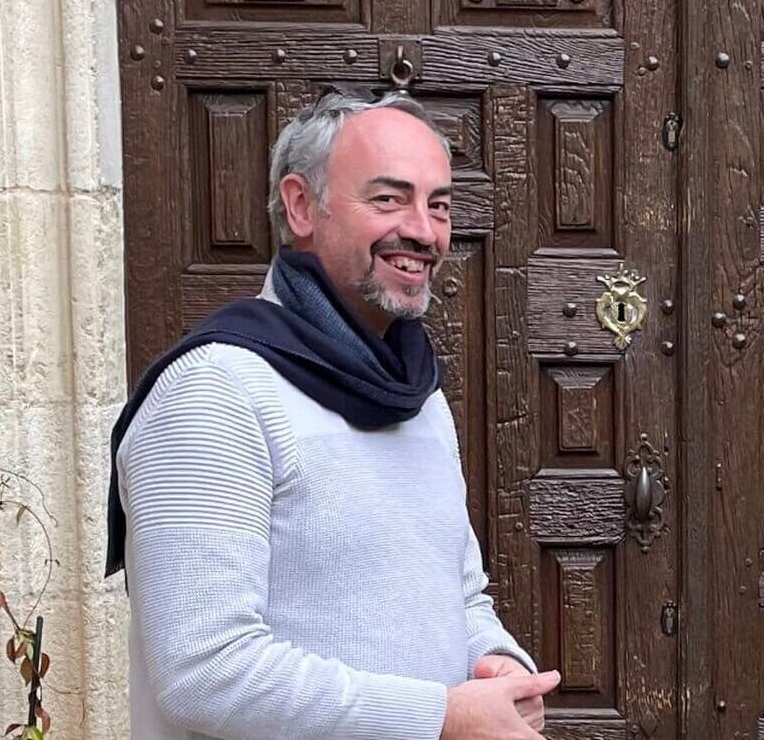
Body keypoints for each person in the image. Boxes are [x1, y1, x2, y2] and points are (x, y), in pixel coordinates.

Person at [105, 91, 559, 740]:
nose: (424, 231)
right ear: (300, 206)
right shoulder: (214, 392)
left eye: (439, 205)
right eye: (388, 199)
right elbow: (204, 672)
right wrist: (442, 718)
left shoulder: (417, 395)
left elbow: (459, 598)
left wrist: (497, 670)